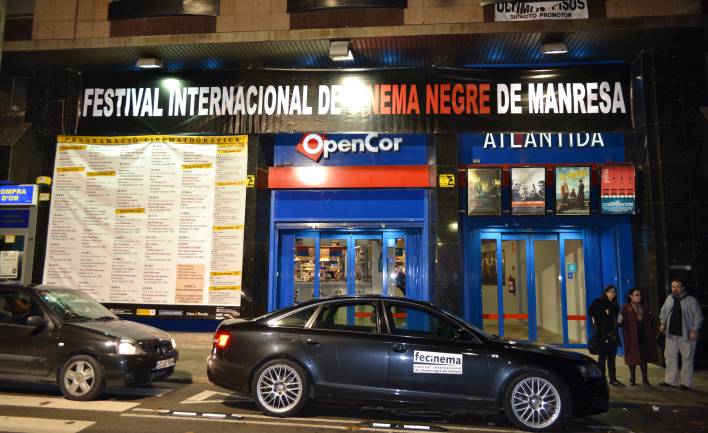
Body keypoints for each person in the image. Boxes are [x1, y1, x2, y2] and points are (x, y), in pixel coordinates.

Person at [658, 278, 704, 390]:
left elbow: (698, 317)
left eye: (677, 287)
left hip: (686, 335)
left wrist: (694, 329)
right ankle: (670, 381)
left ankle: (686, 383)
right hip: (671, 335)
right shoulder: (669, 298)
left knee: (687, 359)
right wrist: (662, 323)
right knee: (670, 358)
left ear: (683, 288)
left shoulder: (691, 301)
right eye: (673, 287)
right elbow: (663, 312)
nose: (674, 289)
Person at [589, 285, 625, 386]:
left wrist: (620, 321)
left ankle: (613, 379)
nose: (613, 294)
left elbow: (616, 321)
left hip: (613, 335)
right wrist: (603, 312)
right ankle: (601, 379)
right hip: (602, 335)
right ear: (606, 292)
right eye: (610, 292)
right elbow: (591, 312)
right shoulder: (599, 302)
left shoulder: (615, 305)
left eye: (614, 292)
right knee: (602, 358)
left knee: (612, 358)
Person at [621, 288, 658, 386]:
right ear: (631, 296)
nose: (639, 297)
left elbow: (650, 321)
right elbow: (621, 323)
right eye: (636, 295)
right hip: (631, 337)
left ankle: (645, 379)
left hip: (642, 336)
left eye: (640, 295)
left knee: (643, 358)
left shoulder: (644, 307)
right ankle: (632, 378)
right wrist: (620, 322)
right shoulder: (626, 308)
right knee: (631, 358)